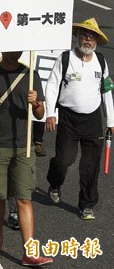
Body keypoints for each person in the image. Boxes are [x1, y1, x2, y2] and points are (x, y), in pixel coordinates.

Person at [0, 50, 53, 267]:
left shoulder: (30, 75)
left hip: (24, 145)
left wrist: (36, 103)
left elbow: (39, 114)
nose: (16, 52)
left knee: (24, 197)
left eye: (19, 47)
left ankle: (29, 250)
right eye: (11, 47)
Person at [45, 18, 114, 220]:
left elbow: (107, 92)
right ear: (77, 36)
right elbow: (52, 85)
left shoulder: (101, 61)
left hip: (92, 120)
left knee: (90, 165)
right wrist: (51, 112)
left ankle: (86, 204)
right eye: (84, 35)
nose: (87, 39)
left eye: (92, 37)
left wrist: (110, 121)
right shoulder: (65, 58)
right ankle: (55, 183)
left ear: (96, 42)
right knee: (64, 160)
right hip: (68, 118)